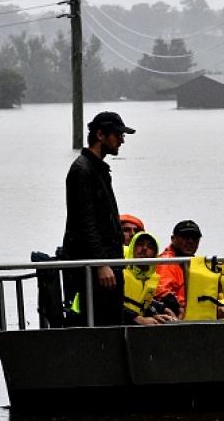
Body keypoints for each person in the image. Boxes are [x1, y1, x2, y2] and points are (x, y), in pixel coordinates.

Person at [61, 111, 135, 327]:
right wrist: (101, 263)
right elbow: (85, 222)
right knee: (101, 322)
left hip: (110, 263)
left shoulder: (98, 169)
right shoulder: (82, 170)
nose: (121, 140)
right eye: (117, 134)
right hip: (96, 269)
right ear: (100, 135)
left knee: (113, 320)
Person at [122, 232, 178, 325]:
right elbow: (109, 302)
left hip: (133, 328)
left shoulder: (150, 279)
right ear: (132, 248)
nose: (144, 248)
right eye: (140, 244)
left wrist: (161, 310)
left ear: (154, 254)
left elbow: (140, 304)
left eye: (150, 247)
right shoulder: (119, 270)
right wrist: (137, 318)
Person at [154, 220, 202, 318]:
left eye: (194, 237)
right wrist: (182, 307)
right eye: (185, 237)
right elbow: (162, 291)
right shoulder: (166, 262)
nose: (190, 241)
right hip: (175, 314)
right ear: (173, 239)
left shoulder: (195, 263)